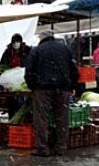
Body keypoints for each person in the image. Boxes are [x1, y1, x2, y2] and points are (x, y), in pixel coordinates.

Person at [25, 29, 78, 157]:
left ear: (42, 38)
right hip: (62, 88)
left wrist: (33, 87)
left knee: (41, 118)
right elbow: (74, 70)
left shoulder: (36, 50)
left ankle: (42, 148)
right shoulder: (65, 49)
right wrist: (71, 85)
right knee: (62, 118)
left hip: (43, 89)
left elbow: (29, 72)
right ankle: (61, 147)